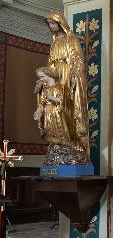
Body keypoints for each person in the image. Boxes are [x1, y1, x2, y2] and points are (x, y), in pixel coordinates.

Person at [36, 10, 90, 162]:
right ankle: (59, 139)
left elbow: (77, 58)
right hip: (55, 75)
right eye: (49, 24)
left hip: (67, 74)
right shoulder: (54, 43)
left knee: (68, 106)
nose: (52, 26)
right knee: (53, 107)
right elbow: (50, 63)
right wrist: (45, 78)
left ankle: (72, 141)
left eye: (53, 23)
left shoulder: (70, 39)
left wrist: (74, 75)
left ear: (60, 23)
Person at [34, 66, 71, 146]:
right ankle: (54, 145)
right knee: (48, 128)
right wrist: (38, 110)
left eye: (42, 77)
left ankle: (60, 145)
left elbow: (60, 100)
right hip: (47, 111)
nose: (41, 79)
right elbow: (41, 103)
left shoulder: (58, 87)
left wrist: (49, 97)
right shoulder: (45, 89)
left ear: (48, 74)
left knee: (57, 128)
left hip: (55, 111)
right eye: (39, 77)